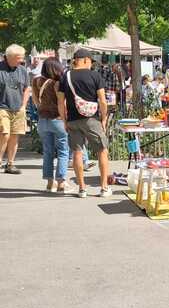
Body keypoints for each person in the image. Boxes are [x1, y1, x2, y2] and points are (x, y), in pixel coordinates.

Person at [57, 48, 111, 198]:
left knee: (77, 152)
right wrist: (104, 118)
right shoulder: (94, 75)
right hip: (92, 119)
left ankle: (82, 189)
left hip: (73, 120)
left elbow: (60, 102)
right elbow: (102, 100)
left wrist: (64, 120)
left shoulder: (65, 76)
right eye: (91, 62)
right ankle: (104, 188)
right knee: (102, 150)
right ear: (86, 60)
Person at [32, 57, 69, 193]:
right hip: (58, 119)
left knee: (48, 152)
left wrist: (43, 109)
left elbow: (36, 101)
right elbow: (62, 104)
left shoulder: (36, 81)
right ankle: (61, 183)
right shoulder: (58, 83)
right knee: (63, 151)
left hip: (43, 120)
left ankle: (49, 183)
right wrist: (65, 119)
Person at [0, 43, 31, 175]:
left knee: (14, 135)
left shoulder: (22, 70)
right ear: (9, 57)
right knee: (4, 134)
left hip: (18, 108)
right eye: (19, 58)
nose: (21, 60)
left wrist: (23, 105)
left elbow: (27, 88)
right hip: (2, 107)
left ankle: (10, 164)